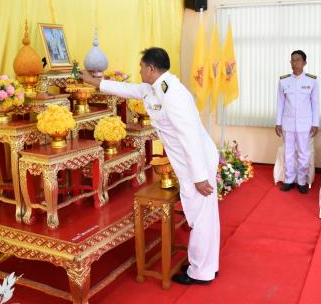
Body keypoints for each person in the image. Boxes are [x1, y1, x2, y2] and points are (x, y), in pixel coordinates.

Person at [80, 47, 220, 285]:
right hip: (189, 162)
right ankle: (206, 264)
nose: (139, 70)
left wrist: (199, 176)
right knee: (203, 215)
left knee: (201, 216)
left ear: (152, 69)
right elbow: (127, 89)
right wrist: (94, 82)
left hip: (197, 162)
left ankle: (201, 272)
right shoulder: (154, 88)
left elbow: (190, 137)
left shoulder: (172, 94)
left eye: (142, 67)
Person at [275, 50, 319, 194]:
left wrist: (315, 123)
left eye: (298, 60)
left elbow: (315, 104)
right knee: (288, 152)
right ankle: (288, 180)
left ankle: (301, 181)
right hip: (287, 123)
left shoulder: (312, 80)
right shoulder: (283, 80)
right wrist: (278, 122)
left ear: (304, 63)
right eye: (292, 60)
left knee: (303, 153)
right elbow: (280, 103)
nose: (295, 63)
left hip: (305, 124)